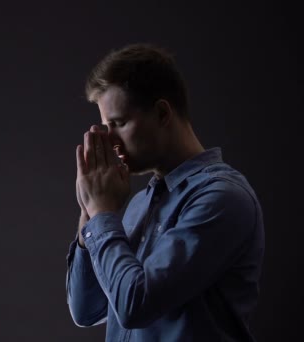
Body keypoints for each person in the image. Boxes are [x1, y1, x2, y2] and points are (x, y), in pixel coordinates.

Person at [65, 43, 265, 341]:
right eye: (106, 127)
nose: (111, 141)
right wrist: (89, 216)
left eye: (118, 123)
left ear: (161, 113)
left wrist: (103, 215)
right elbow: (85, 310)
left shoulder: (222, 198)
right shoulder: (139, 203)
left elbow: (136, 306)